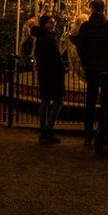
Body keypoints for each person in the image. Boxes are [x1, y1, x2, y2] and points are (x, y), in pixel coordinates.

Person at [70, 0, 108, 144]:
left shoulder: (86, 27)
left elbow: (80, 47)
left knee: (91, 99)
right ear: (104, 9)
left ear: (92, 9)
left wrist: (85, 62)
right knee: (106, 100)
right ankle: (104, 129)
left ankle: (88, 132)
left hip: (92, 67)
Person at [31, 15, 67, 144]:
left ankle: (44, 131)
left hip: (44, 73)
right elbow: (56, 57)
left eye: (54, 23)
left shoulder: (40, 38)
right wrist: (63, 68)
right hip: (53, 74)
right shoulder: (49, 39)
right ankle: (48, 130)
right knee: (58, 101)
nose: (53, 25)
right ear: (44, 24)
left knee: (45, 101)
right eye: (51, 23)